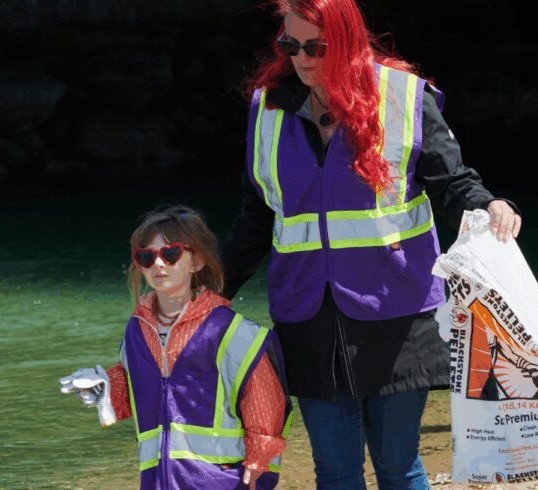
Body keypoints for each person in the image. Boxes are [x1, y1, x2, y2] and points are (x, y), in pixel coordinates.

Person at [220, 0, 522, 489]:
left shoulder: (404, 97)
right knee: (335, 470)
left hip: (398, 314)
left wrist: (490, 206)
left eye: (315, 46)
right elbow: (257, 217)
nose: (301, 58)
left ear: (346, 42)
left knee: (398, 465)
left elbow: (453, 183)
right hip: (306, 317)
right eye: (289, 45)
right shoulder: (268, 109)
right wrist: (212, 293)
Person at [60, 206, 292, 490]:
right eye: (146, 256)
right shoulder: (137, 329)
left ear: (196, 262)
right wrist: (106, 385)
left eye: (170, 254)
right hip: (158, 479)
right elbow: (146, 388)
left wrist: (260, 460)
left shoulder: (233, 331)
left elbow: (264, 400)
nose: (158, 264)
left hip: (223, 479)